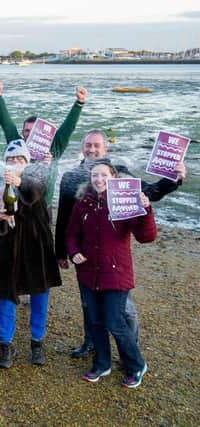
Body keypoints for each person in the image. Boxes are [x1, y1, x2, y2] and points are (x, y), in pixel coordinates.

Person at [55, 129, 186, 358]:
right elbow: (65, 220)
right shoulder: (70, 177)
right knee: (89, 305)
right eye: (88, 145)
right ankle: (91, 342)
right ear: (82, 148)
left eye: (97, 145)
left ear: (106, 149)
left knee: (124, 309)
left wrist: (173, 180)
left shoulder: (119, 175)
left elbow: (151, 192)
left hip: (112, 256)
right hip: (84, 256)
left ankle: (130, 349)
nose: (92, 149)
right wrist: (62, 252)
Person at [67, 158, 156, 388]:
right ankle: (102, 363)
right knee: (95, 321)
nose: (99, 179)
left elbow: (146, 237)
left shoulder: (125, 202)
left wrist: (146, 209)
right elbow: (71, 234)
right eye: (95, 175)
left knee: (115, 321)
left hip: (116, 274)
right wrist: (74, 252)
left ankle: (136, 364)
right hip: (88, 273)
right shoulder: (82, 203)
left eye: (104, 175)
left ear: (113, 178)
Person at [0, 140, 62, 369]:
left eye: (19, 159)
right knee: (7, 297)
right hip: (10, 251)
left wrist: (19, 181)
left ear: (27, 162)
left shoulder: (37, 176)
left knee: (40, 296)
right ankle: (6, 345)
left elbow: (34, 194)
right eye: (10, 159)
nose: (14, 163)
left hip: (36, 248)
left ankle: (37, 342)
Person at [0, 81, 87, 205]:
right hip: (19, 203)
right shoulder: (17, 145)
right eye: (26, 131)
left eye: (33, 131)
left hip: (43, 205)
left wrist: (79, 103)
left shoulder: (53, 148)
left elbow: (68, 127)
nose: (29, 135)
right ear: (22, 132)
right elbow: (7, 124)